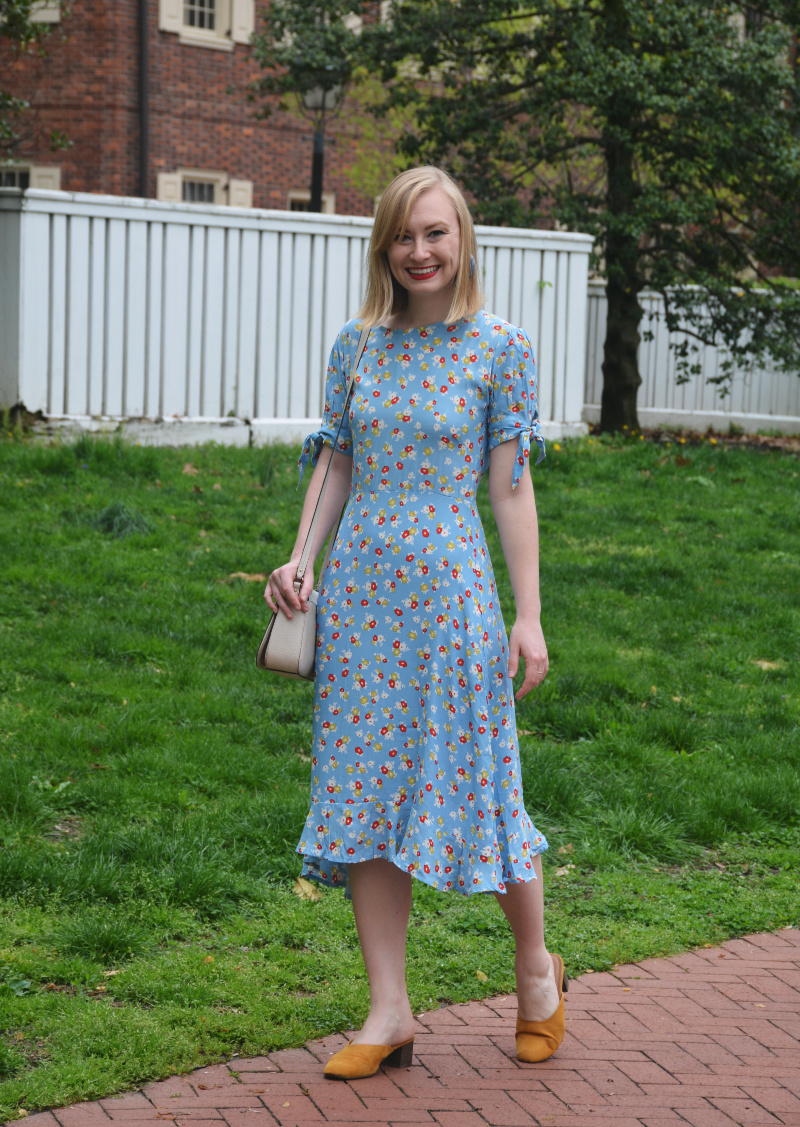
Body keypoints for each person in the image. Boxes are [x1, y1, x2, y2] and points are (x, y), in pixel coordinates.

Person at [264, 165, 566, 1080]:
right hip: (359, 600)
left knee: (483, 786)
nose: (420, 251)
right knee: (362, 792)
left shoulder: (499, 347)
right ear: (383, 247)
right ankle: (389, 1010)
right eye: (404, 235)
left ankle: (536, 974)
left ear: (463, 238)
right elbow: (336, 463)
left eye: (435, 233)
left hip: (453, 598)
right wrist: (299, 558)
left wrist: (530, 615)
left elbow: (512, 490)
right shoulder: (356, 346)